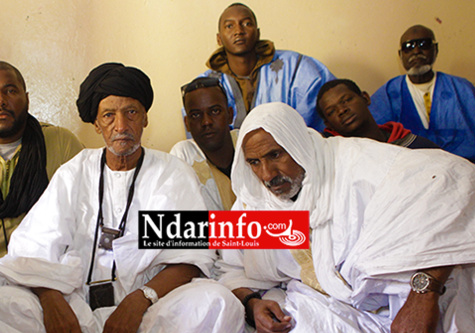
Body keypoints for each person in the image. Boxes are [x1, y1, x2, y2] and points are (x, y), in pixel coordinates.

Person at [218, 103, 475, 333]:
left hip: (406, 300)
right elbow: (229, 267)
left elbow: (458, 178)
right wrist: (252, 303)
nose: (267, 175)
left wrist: (423, 293)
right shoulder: (256, 202)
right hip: (343, 305)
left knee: (453, 258)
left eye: (276, 155)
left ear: (298, 142)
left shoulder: (353, 164)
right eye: (254, 162)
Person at [0, 63, 243, 333]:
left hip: (149, 308)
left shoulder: (171, 173)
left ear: (145, 118)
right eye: (109, 115)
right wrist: (52, 305)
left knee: (220, 306)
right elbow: (31, 250)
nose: (121, 125)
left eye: (131, 112)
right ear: (96, 124)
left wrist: (138, 301)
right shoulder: (75, 172)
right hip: (74, 304)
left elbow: (189, 258)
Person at [370, 25, 475, 215]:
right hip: (416, 171)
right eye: (408, 47)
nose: (416, 50)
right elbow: (375, 142)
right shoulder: (388, 94)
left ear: (435, 50)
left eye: (423, 44)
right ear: (400, 55)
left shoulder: (462, 88)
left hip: (465, 163)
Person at [0, 61, 83, 259]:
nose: (0, 101)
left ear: (27, 99)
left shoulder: (62, 144)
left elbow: (88, 214)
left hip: (41, 266)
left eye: (10, 91)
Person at [197, 3, 334, 132]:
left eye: (246, 24)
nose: (238, 31)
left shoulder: (296, 67)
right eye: (229, 26)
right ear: (219, 39)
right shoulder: (204, 86)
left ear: (257, 33)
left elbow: (330, 104)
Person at [170, 76, 237, 210]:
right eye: (195, 115)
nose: (206, 122)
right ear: (187, 123)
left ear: (230, 114)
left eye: (215, 111)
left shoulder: (248, 144)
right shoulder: (184, 156)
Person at [316, 78, 438, 149]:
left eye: (347, 100)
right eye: (331, 111)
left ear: (365, 98)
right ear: (328, 124)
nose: (342, 110)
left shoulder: (417, 146)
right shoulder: (338, 161)